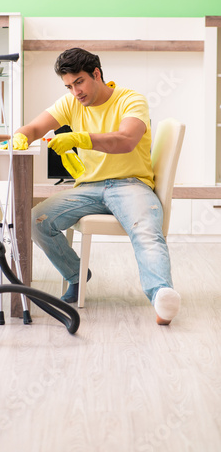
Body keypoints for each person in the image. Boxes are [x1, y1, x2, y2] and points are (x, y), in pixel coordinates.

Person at [11, 48, 180, 325]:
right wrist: (22, 136)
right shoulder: (71, 103)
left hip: (131, 184)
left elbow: (126, 140)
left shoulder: (130, 99)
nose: (75, 91)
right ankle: (76, 275)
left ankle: (162, 295)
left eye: (79, 81)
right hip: (88, 189)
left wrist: (81, 138)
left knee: (146, 232)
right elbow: (33, 128)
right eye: (68, 85)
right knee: (35, 220)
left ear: (96, 74)